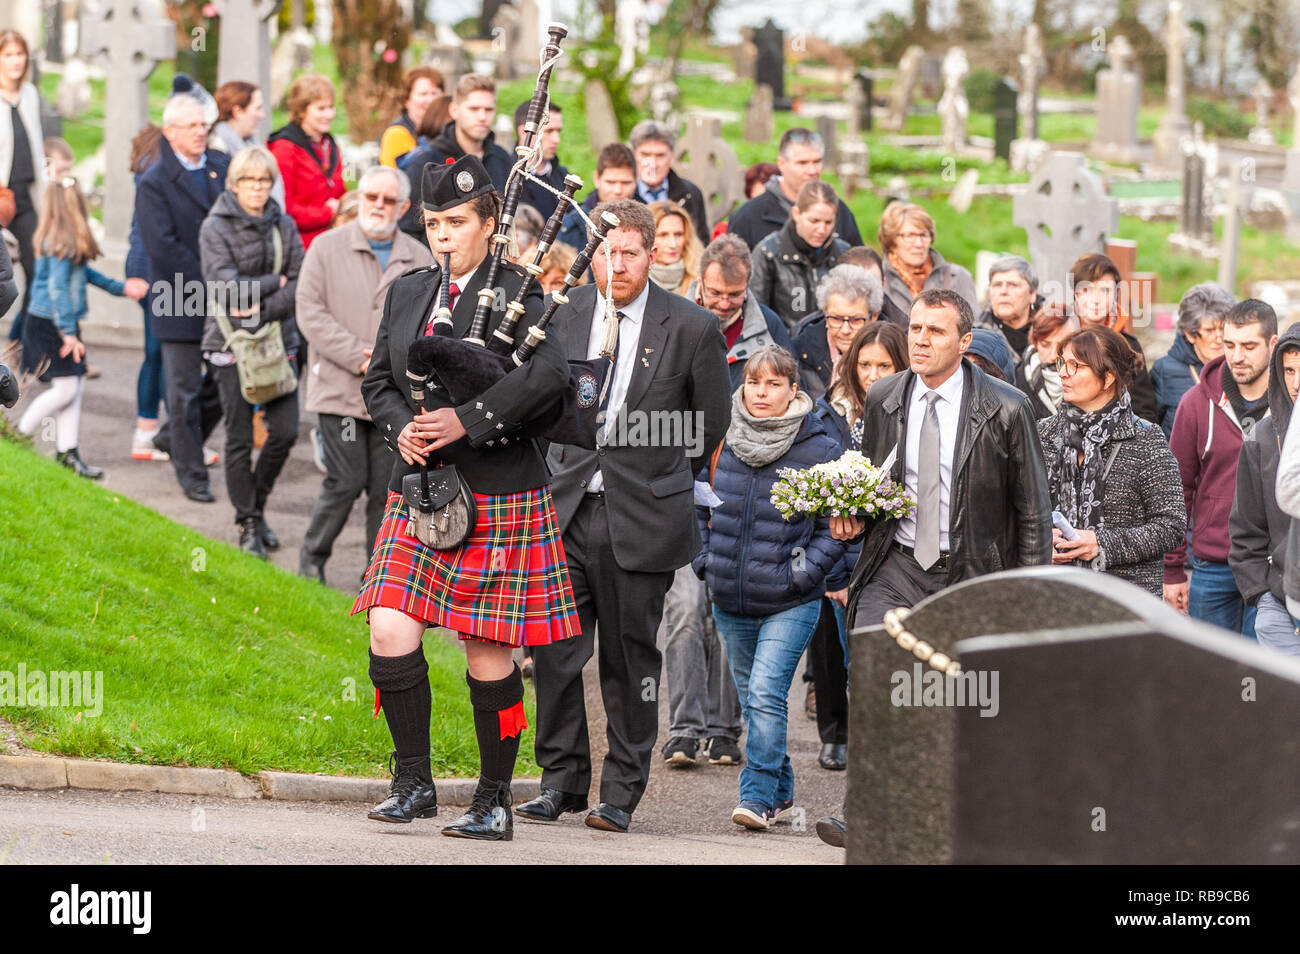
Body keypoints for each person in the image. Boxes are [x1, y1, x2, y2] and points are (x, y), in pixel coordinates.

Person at [353, 155, 579, 841]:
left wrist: (468, 421)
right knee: (388, 627)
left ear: (488, 221)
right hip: (419, 489)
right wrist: (405, 433)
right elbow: (378, 384)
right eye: (431, 224)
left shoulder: (524, 292)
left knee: (487, 650)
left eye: (455, 222)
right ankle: (413, 783)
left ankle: (493, 798)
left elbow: (549, 380)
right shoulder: (409, 291)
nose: (442, 235)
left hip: (499, 490)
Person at [520, 199, 731, 833]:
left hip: (639, 512)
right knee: (555, 652)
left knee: (630, 659)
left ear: (654, 255)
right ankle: (560, 781)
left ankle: (620, 792)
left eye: (629, 253)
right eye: (606, 251)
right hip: (566, 506)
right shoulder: (567, 310)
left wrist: (651, 460)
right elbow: (538, 397)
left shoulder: (690, 327)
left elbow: (708, 423)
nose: (616, 264)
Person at [816, 288, 1052, 848]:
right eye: (915, 329)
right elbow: (874, 479)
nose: (920, 340)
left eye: (935, 332)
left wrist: (1030, 599)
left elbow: (1034, 511)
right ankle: (865, 810)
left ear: (964, 342)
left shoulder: (1008, 407)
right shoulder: (886, 397)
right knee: (875, 675)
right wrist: (850, 512)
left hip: (972, 571)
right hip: (895, 564)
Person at [695, 346, 845, 828]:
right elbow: (697, 503)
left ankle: (756, 795)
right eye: (755, 383)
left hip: (791, 599)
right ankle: (780, 791)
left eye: (774, 384)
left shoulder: (820, 447)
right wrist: (704, 560)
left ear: (793, 391)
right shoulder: (722, 438)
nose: (762, 393)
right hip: (730, 597)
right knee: (756, 698)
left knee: (763, 693)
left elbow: (835, 527)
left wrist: (804, 574)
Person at [296, 165, 432, 582]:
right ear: (360, 196)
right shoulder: (326, 247)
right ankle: (312, 557)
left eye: (388, 200)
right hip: (340, 389)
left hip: (392, 398)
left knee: (385, 489)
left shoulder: (420, 257)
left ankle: (376, 572)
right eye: (371, 196)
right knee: (345, 479)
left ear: (403, 207)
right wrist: (358, 356)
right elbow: (310, 313)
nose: (378, 206)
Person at [808, 321, 906, 771]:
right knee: (829, 647)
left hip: (888, 556)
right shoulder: (832, 411)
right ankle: (836, 733)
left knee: (870, 657)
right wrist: (835, 570)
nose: (872, 373)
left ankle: (876, 748)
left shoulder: (907, 414)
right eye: (864, 363)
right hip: (835, 550)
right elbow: (824, 493)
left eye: (883, 364)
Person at [199, 146, 305, 557]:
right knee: (240, 436)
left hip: (280, 339)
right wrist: (273, 281)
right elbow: (225, 288)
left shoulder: (285, 224)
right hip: (231, 343)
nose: (257, 189)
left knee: (285, 432)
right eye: (248, 181)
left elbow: (300, 281)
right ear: (234, 184)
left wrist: (263, 305)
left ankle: (256, 510)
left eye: (263, 181)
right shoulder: (215, 227)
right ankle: (246, 522)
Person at [1037, 326, 1185, 596]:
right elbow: (1016, 510)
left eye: (1075, 365)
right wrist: (1039, 540)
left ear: (1107, 378)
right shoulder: (1042, 434)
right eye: (1061, 363)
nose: (1062, 373)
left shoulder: (1145, 439)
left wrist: (1101, 544)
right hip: (1052, 593)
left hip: (1125, 601)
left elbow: (1171, 525)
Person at [17, 175, 148, 475]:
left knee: (74, 386)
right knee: (65, 389)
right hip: (50, 323)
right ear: (73, 206)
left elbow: (86, 275)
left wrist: (122, 288)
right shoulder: (59, 242)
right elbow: (57, 290)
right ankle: (17, 436)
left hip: (59, 322)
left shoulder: (67, 241)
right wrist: (68, 333)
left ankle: (68, 453)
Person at [136, 93, 232, 503]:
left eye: (204, 125)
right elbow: (162, 247)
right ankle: (192, 473)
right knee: (185, 389)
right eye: (192, 126)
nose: (201, 132)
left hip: (225, 295)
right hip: (179, 296)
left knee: (229, 383)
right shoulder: (154, 181)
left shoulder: (220, 167)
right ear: (170, 132)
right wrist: (215, 276)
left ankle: (172, 437)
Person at [1166, 298, 1278, 638]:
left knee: (1261, 680)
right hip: (1212, 565)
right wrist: (1172, 570)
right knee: (1209, 677)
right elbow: (1176, 489)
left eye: (1249, 346)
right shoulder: (1196, 403)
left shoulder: (1292, 407)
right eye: (1229, 344)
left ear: (1273, 344)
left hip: (1274, 569)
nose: (1237, 356)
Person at [1230, 320, 1300, 655]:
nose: (1296, 383)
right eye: (1288, 371)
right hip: (1282, 607)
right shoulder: (1262, 437)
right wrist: (1262, 595)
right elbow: (1246, 528)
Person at [725, 128, 862, 249]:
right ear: (781, 163)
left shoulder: (839, 211)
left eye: (817, 162)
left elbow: (858, 265)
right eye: (802, 163)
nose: (812, 170)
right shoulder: (748, 216)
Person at [690, 233, 792, 391]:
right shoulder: (672, 321)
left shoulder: (770, 326)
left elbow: (794, 391)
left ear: (747, 284)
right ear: (700, 281)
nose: (724, 304)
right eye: (715, 293)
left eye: (734, 294)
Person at [1068, 253, 1159, 425]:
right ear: (1076, 294)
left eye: (1105, 290)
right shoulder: (1060, 340)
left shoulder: (1129, 346)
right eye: (1087, 290)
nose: (1096, 299)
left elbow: (1145, 409)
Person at [126, 123, 171, 462]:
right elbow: (142, 233)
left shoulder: (146, 174)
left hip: (152, 277)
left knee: (157, 356)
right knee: (161, 356)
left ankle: (153, 431)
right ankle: (152, 433)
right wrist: (138, 275)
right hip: (154, 278)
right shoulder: (154, 178)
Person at [750, 181, 850, 331]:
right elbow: (756, 316)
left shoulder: (843, 253)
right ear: (796, 214)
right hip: (784, 348)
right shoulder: (768, 253)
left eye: (829, 222)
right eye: (814, 221)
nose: (822, 230)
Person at [1, 29, 46, 349]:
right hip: (1, 199)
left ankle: (23, 344)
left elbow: (36, 142)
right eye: (8, 54)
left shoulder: (29, 93)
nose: (15, 61)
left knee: (38, 274)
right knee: (4, 283)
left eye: (20, 54)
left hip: (27, 198)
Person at [267, 74, 346, 252]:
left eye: (331, 107)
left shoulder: (329, 144)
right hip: (300, 247)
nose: (329, 114)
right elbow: (283, 207)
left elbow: (340, 190)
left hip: (333, 241)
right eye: (321, 108)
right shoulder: (284, 149)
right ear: (302, 111)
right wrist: (327, 213)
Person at [1150, 283, 1235, 439]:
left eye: (1223, 328)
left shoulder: (1241, 368)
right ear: (1190, 334)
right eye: (1209, 330)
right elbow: (1149, 432)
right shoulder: (1164, 371)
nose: (1219, 338)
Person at [791, 262, 883, 402]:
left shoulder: (891, 351)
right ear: (824, 312)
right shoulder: (801, 350)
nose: (845, 330)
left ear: (874, 316)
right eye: (836, 319)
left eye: (856, 320)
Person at [878, 201, 977, 320]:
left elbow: (976, 330)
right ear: (892, 241)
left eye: (924, 235)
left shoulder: (957, 277)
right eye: (910, 236)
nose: (919, 244)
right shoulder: (878, 279)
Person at [628, 120, 710, 246]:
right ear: (634, 156)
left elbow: (701, 243)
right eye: (645, 155)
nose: (652, 164)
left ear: (671, 157)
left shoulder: (690, 193)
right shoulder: (620, 194)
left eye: (660, 155)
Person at [208, 80, 285, 210]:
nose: (262, 115)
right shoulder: (217, 151)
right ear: (237, 111)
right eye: (257, 108)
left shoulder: (253, 143)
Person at [556, 142, 637, 252]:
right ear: (596, 179)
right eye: (611, 182)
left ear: (636, 182)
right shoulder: (571, 225)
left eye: (626, 183)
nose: (618, 190)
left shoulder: (650, 220)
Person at [974, 256, 1043, 375]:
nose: (1003, 291)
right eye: (997, 285)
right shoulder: (974, 338)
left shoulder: (1054, 332)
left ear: (1032, 294)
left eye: (1013, 285)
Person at [1016, 302, 1076, 420]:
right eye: (1045, 344)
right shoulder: (1017, 379)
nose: (1054, 355)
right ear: (1035, 343)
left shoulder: (1090, 377)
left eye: (1062, 345)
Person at [379, 66, 444, 168]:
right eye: (423, 94)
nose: (431, 100)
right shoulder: (397, 133)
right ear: (406, 100)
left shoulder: (446, 130)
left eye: (434, 93)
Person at [515, 100, 567, 220]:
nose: (556, 139)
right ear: (525, 132)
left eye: (558, 131)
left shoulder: (561, 175)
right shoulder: (504, 172)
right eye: (549, 131)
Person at [648, 200, 701, 296]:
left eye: (678, 234)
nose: (673, 244)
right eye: (663, 235)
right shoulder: (633, 281)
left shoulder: (701, 281)